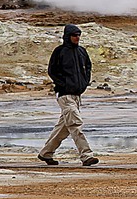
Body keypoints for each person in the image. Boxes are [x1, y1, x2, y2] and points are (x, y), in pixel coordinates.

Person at [37, 24, 99, 166]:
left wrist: (84, 83)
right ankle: (86, 155)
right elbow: (52, 71)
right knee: (75, 125)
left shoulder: (82, 52)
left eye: (78, 35)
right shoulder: (59, 52)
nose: (77, 38)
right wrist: (64, 84)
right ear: (67, 36)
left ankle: (46, 153)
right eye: (74, 35)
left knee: (63, 128)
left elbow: (88, 67)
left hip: (77, 95)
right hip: (65, 95)